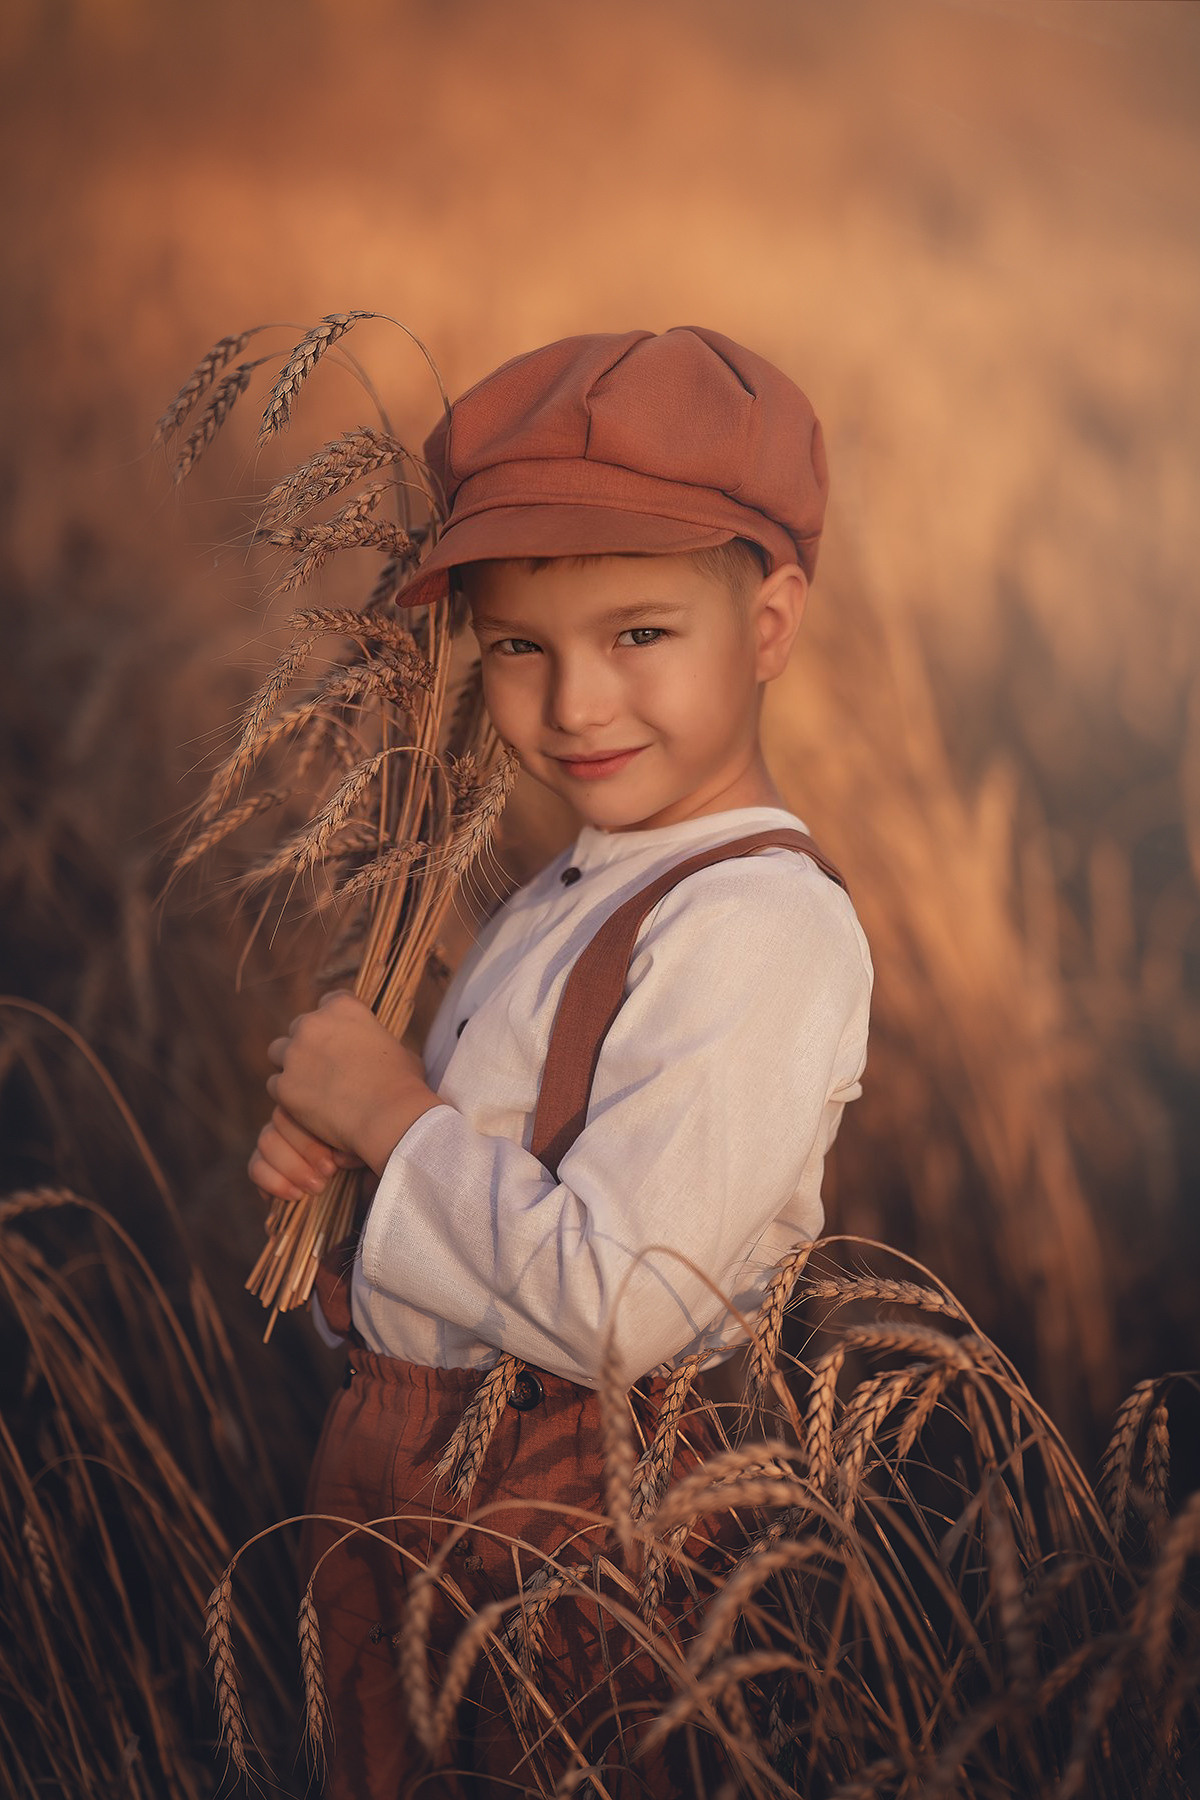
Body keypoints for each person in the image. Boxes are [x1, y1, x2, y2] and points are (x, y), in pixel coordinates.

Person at [248, 327, 873, 1797]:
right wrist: (354, 1192)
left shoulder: (758, 927)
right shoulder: (575, 885)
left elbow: (625, 1303)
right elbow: (498, 1174)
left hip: (579, 1522)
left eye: (637, 635)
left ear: (771, 622)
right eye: (519, 646)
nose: (575, 703)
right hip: (408, 1480)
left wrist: (401, 1129)